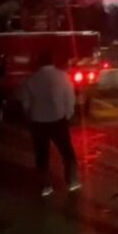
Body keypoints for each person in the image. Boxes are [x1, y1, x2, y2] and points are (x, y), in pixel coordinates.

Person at [19, 52, 81, 197]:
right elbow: (70, 98)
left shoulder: (30, 80)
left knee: (42, 155)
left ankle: (46, 186)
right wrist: (68, 114)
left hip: (38, 122)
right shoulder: (63, 76)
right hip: (58, 119)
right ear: (52, 61)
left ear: (38, 63)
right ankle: (72, 181)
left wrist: (30, 116)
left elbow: (25, 103)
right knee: (67, 152)